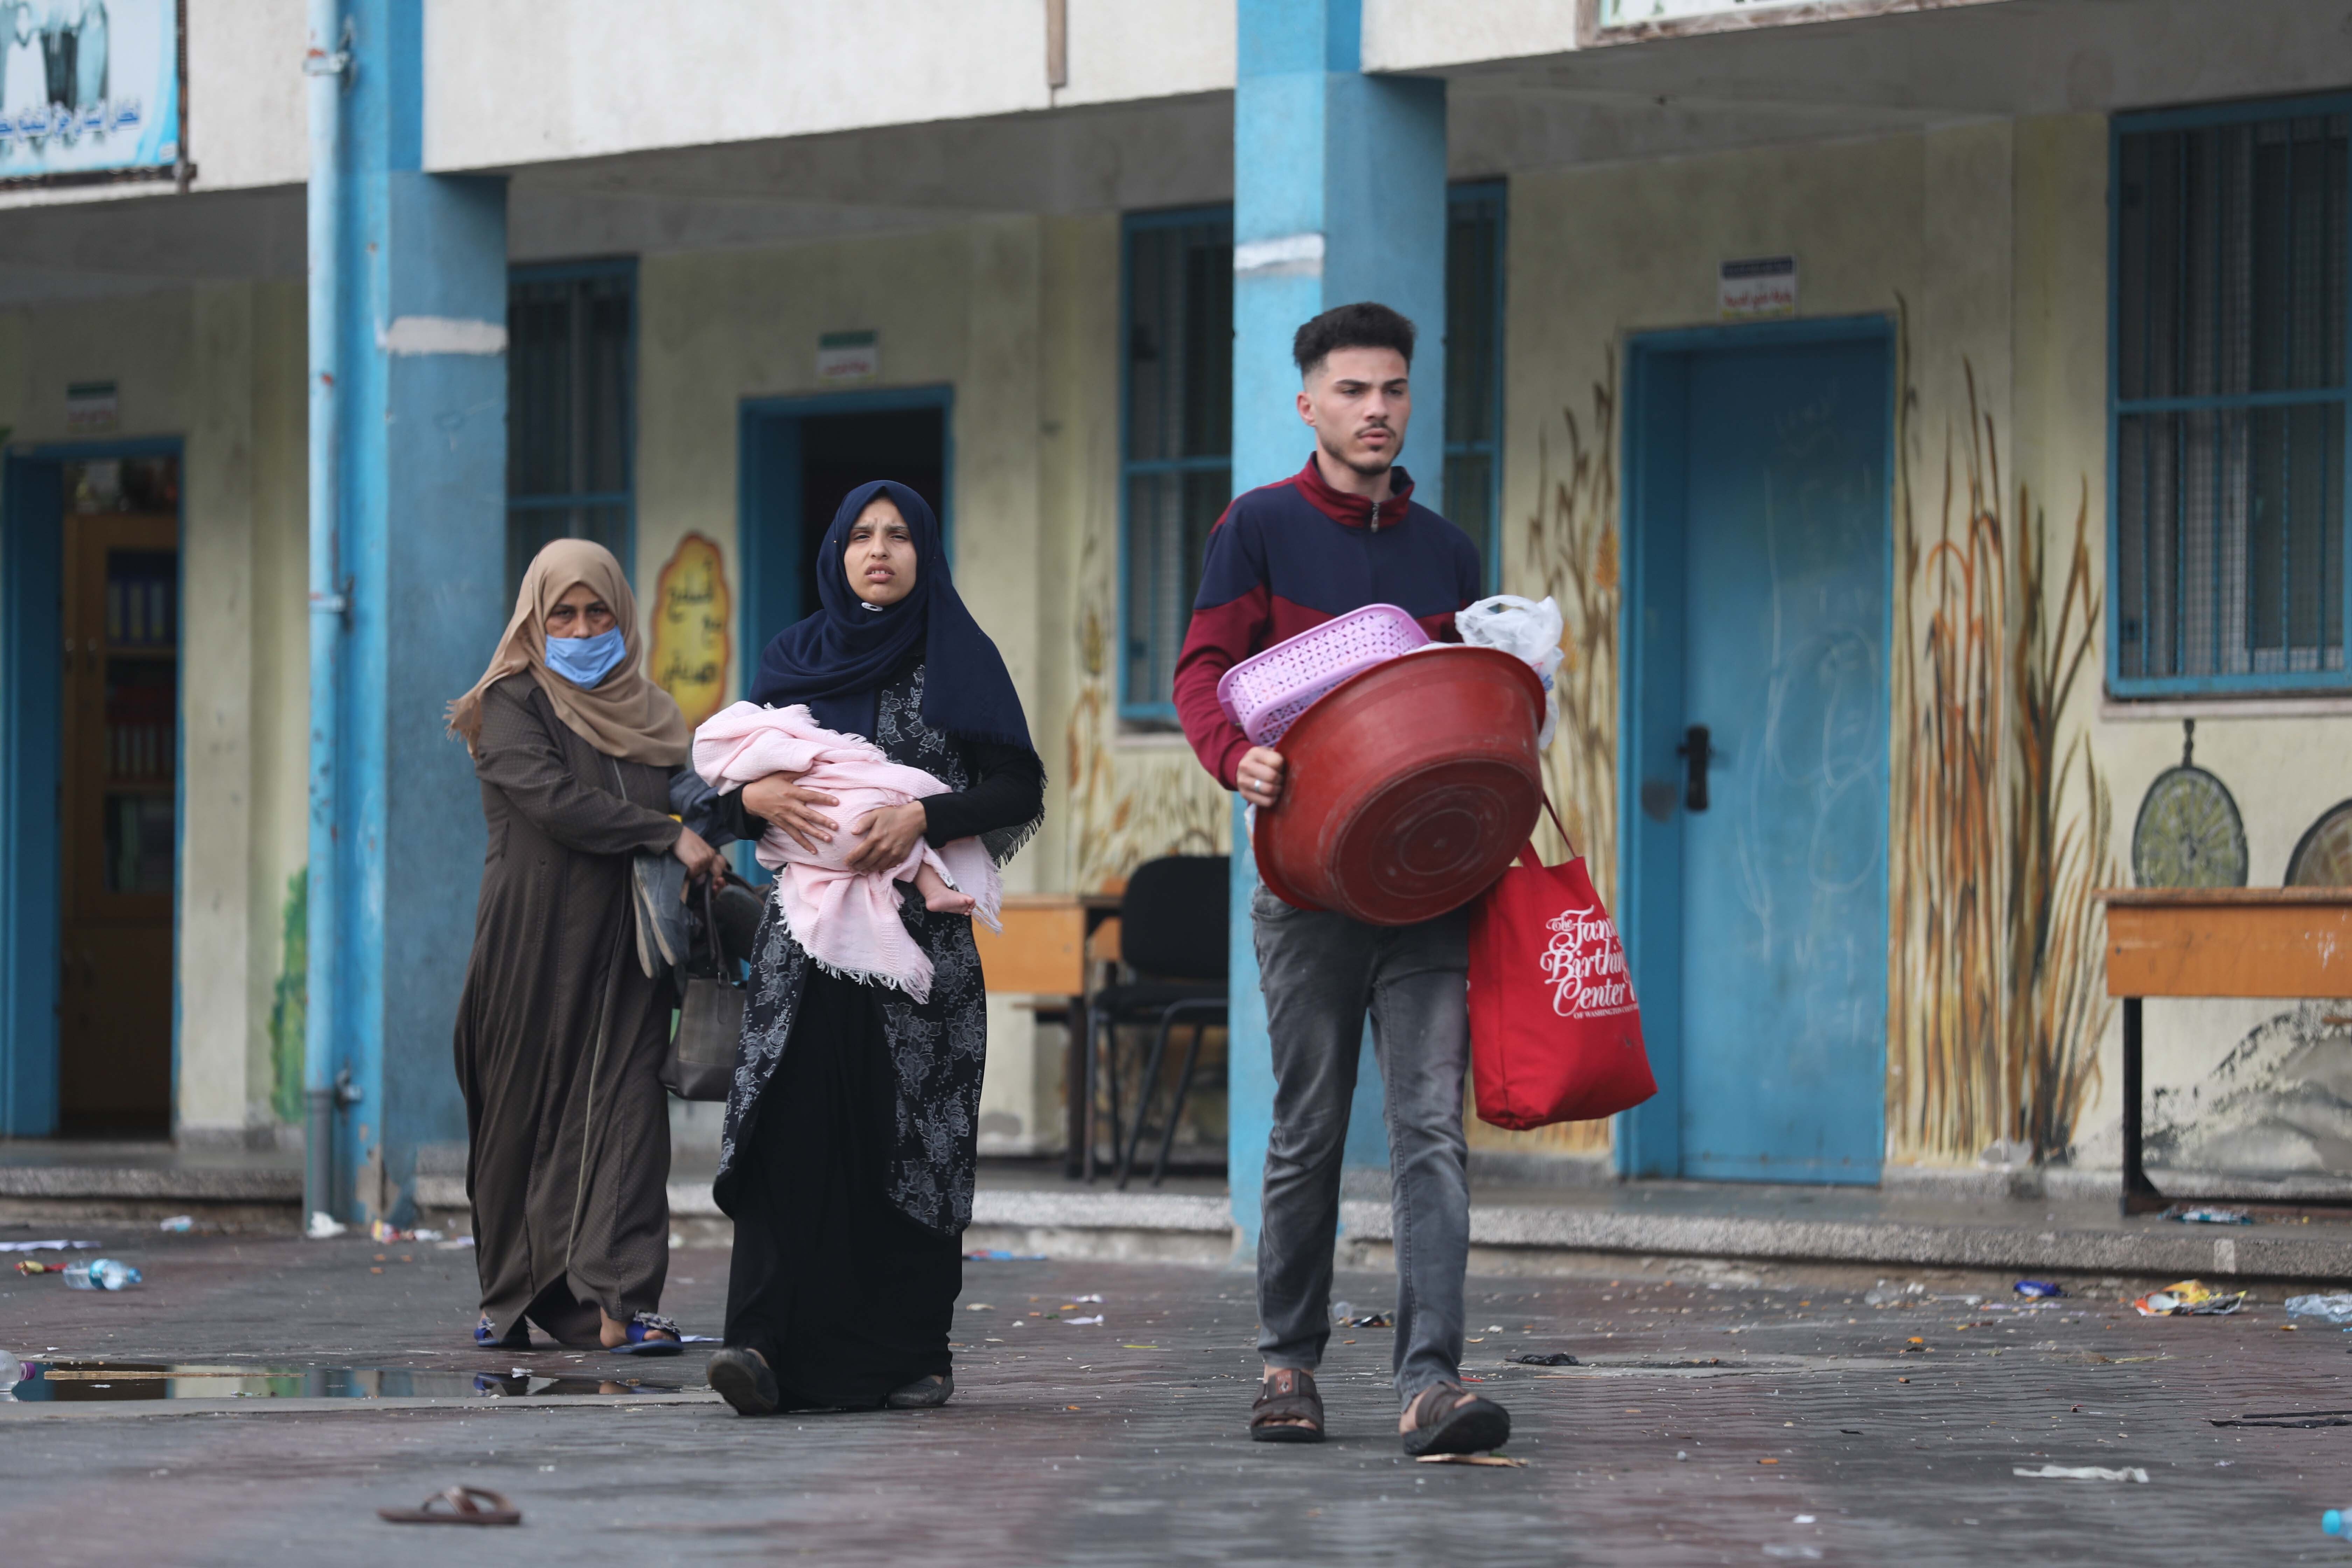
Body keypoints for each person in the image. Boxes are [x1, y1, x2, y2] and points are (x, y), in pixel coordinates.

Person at [1171, 301, 1507, 1455]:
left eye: (1394, 390)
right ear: (1308, 403)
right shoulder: (1257, 528)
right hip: (1307, 890)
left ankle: (1431, 1382)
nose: (1377, 411)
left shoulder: (1447, 552)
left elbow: (1466, 705)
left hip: (1428, 894)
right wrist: (1237, 755)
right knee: (1309, 1128)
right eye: (1354, 391)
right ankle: (1287, 1363)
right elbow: (1203, 671)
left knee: (1432, 1132)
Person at [701, 481, 1043, 1417]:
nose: (879, 550)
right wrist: (754, 806)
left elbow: (1018, 786)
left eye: (898, 535)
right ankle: (762, 1347)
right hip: (803, 952)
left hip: (919, 953)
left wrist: (924, 816)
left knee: (914, 1141)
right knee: (789, 1135)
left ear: (924, 553)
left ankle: (910, 1354)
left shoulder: (960, 660)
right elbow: (718, 793)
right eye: (860, 535)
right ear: (837, 553)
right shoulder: (792, 659)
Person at [447, 538, 720, 1354]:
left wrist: (731, 808)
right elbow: (554, 801)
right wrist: (666, 834)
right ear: (534, 620)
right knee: (520, 1123)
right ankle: (515, 1297)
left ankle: (622, 1302)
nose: (581, 627)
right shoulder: (511, 703)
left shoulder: (652, 712)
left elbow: (692, 792)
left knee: (631, 1118)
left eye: (598, 611)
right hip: (530, 949)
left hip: (630, 950)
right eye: (562, 613)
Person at [692, 697, 998, 1003]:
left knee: (882, 832)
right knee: (873, 822)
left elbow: (1017, 791)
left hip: (834, 837)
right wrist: (750, 798)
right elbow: (798, 755)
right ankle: (934, 888)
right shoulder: (768, 718)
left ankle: (932, 890)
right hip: (834, 821)